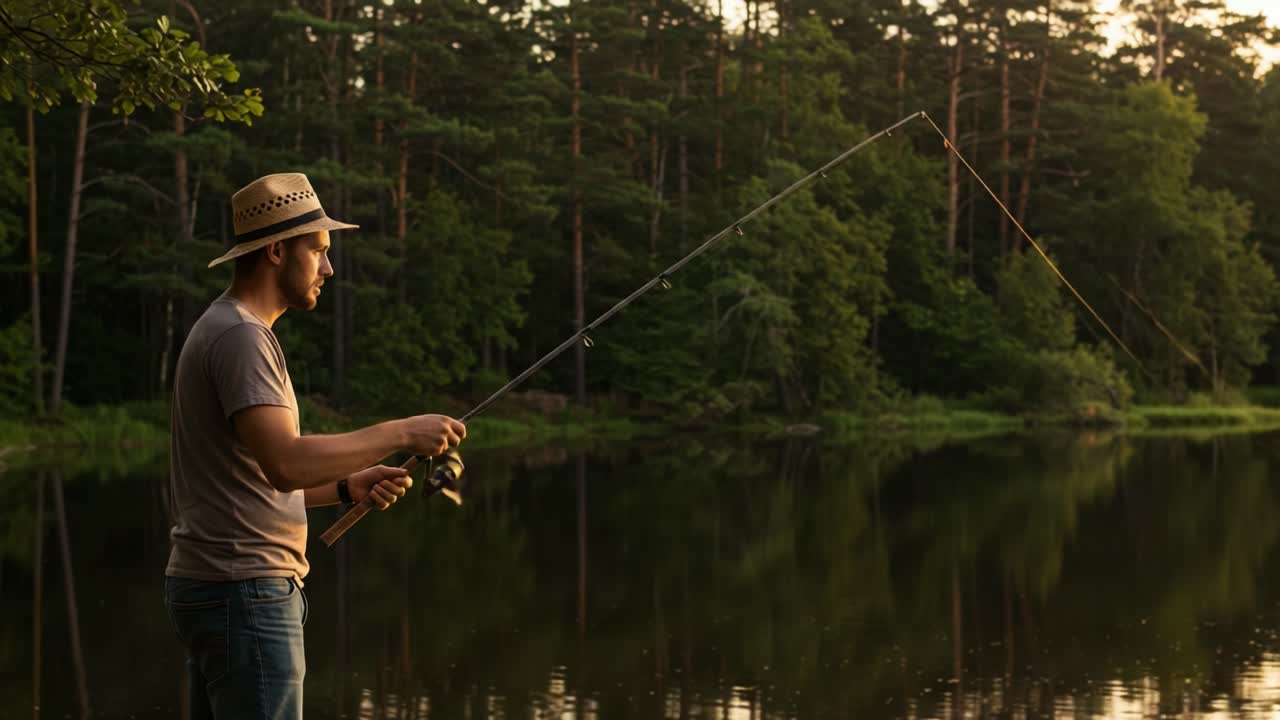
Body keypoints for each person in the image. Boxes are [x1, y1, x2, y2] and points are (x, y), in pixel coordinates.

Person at [163, 172, 466, 720]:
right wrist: (402, 431)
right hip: (244, 592)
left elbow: (249, 485)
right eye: (319, 251)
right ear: (277, 251)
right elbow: (284, 463)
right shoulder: (242, 337)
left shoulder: (229, 327)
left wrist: (349, 486)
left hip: (220, 587)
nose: (328, 268)